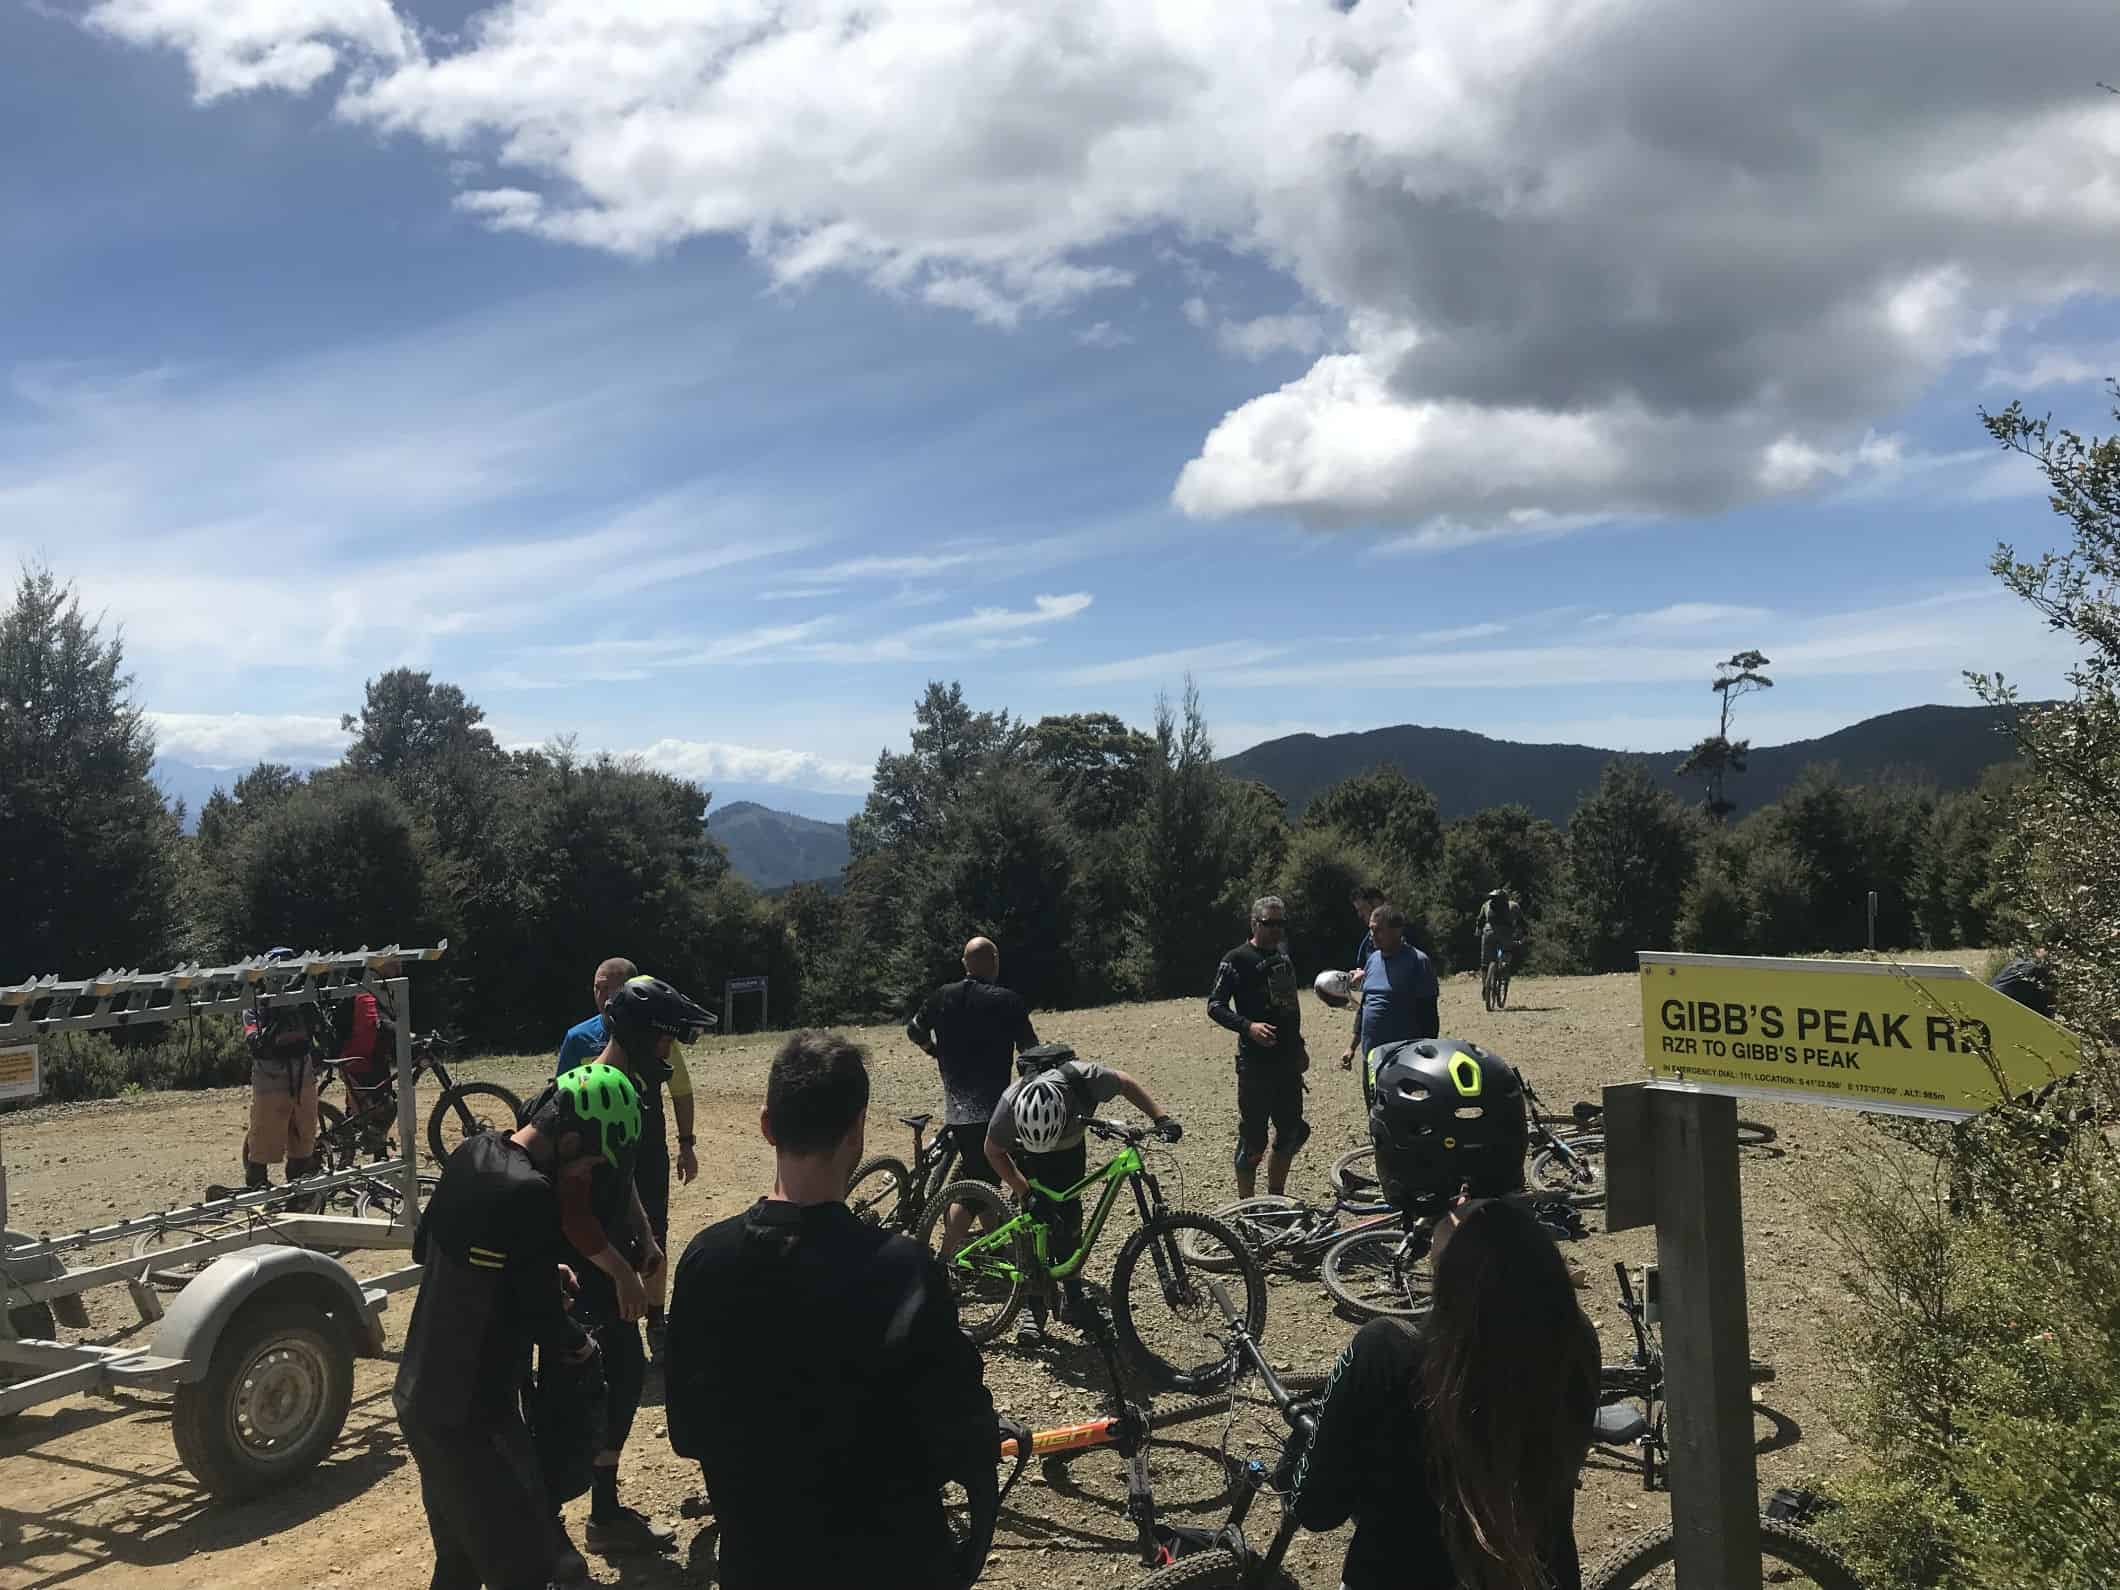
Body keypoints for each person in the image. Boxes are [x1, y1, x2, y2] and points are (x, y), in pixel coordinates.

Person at [665, 1030, 997, 1590]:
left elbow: (688, 1433)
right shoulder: (908, 1273)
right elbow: (963, 1440)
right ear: (858, 1130)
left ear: (767, 1125)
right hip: (893, 1563)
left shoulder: (705, 1262)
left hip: (761, 1562)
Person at [394, 1062, 642, 1590]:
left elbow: (432, 1250)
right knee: (546, 1568)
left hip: (419, 1397)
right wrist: (579, 1345)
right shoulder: (531, 1193)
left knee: (460, 1562)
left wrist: (523, 1268)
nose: (589, 1176)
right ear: (570, 1140)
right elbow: (547, 1324)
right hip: (475, 1418)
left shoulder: (472, 1153)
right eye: (592, 1162)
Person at [1292, 1196, 1599, 1590]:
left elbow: (1316, 1509)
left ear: (1448, 1279)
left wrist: (1307, 1444)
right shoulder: (1577, 1340)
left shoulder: (1386, 1350)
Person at [537, 975, 714, 1557]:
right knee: (574, 1394)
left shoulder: (627, 1091)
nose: (670, 1054)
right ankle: (552, 1529)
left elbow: (622, 1176)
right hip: (575, 1269)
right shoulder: (595, 1090)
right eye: (666, 1042)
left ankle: (602, 1513)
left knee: (623, 1381)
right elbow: (571, 1211)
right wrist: (620, 1272)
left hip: (603, 1258)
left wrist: (643, 1233)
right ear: (643, 1037)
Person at [557, 959, 703, 1363]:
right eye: (596, 989)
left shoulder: (633, 1082)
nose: (602, 998)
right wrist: (622, 1274)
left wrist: (686, 1142)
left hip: (644, 1148)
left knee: (651, 1232)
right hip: (599, 1159)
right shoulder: (581, 1054)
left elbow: (681, 1090)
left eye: (610, 989)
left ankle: (654, 1320)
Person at [985, 1046, 1180, 1347]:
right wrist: (1025, 1191)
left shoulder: (1084, 1078)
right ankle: (1032, 1307)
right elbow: (993, 1151)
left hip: (1070, 1151)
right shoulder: (1011, 1101)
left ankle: (1073, 1296)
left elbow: (1125, 1082)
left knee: (1070, 1217)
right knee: (1034, 1221)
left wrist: (1160, 1117)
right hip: (1028, 1155)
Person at [905, 936, 1041, 1252]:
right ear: (994, 962)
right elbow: (1031, 1055)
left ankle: (993, 1244)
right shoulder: (1008, 1001)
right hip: (994, 1111)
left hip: (957, 1108)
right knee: (977, 1187)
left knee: (982, 1179)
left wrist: (933, 1051)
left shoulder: (941, 996)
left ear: (965, 964)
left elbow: (914, 1030)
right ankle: (943, 1261)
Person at [1208, 896, 1309, 1199]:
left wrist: (1300, 1047)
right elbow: (1215, 1005)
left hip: (1287, 1064)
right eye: (1269, 923)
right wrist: (1247, 1027)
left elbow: (1290, 1008)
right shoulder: (1236, 959)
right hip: (1255, 1066)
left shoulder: (1284, 957)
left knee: (1292, 1133)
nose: (1276, 930)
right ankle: (1246, 1206)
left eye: (1281, 923)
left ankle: (1275, 1197)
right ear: (1254, 923)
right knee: (1254, 1141)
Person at [233, 947, 329, 1193]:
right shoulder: (255, 1005)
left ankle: (297, 1191)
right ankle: (257, 1188)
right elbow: (256, 1044)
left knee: (304, 1136)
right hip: (271, 1075)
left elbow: (321, 1030)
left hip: (302, 1073)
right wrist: (278, 1017)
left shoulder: (303, 1000)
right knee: (264, 1137)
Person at [1341, 905, 1440, 1104]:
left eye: (1378, 930)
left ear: (1397, 930)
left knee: (1403, 1112)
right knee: (1374, 1106)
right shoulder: (1372, 961)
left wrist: (1424, 1057)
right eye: (1371, 929)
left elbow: (1429, 1015)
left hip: (1403, 1058)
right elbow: (1365, 1006)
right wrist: (1352, 1047)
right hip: (1371, 1056)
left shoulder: (1418, 962)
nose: (1372, 935)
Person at [1477, 887, 1523, 981]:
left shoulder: (1486, 905)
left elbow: (1480, 920)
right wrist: (1524, 932)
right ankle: (1505, 966)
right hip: (1506, 933)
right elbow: (1521, 922)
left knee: (1485, 962)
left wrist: (1478, 931)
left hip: (1488, 932)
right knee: (1507, 949)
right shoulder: (1513, 906)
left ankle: (1485, 985)